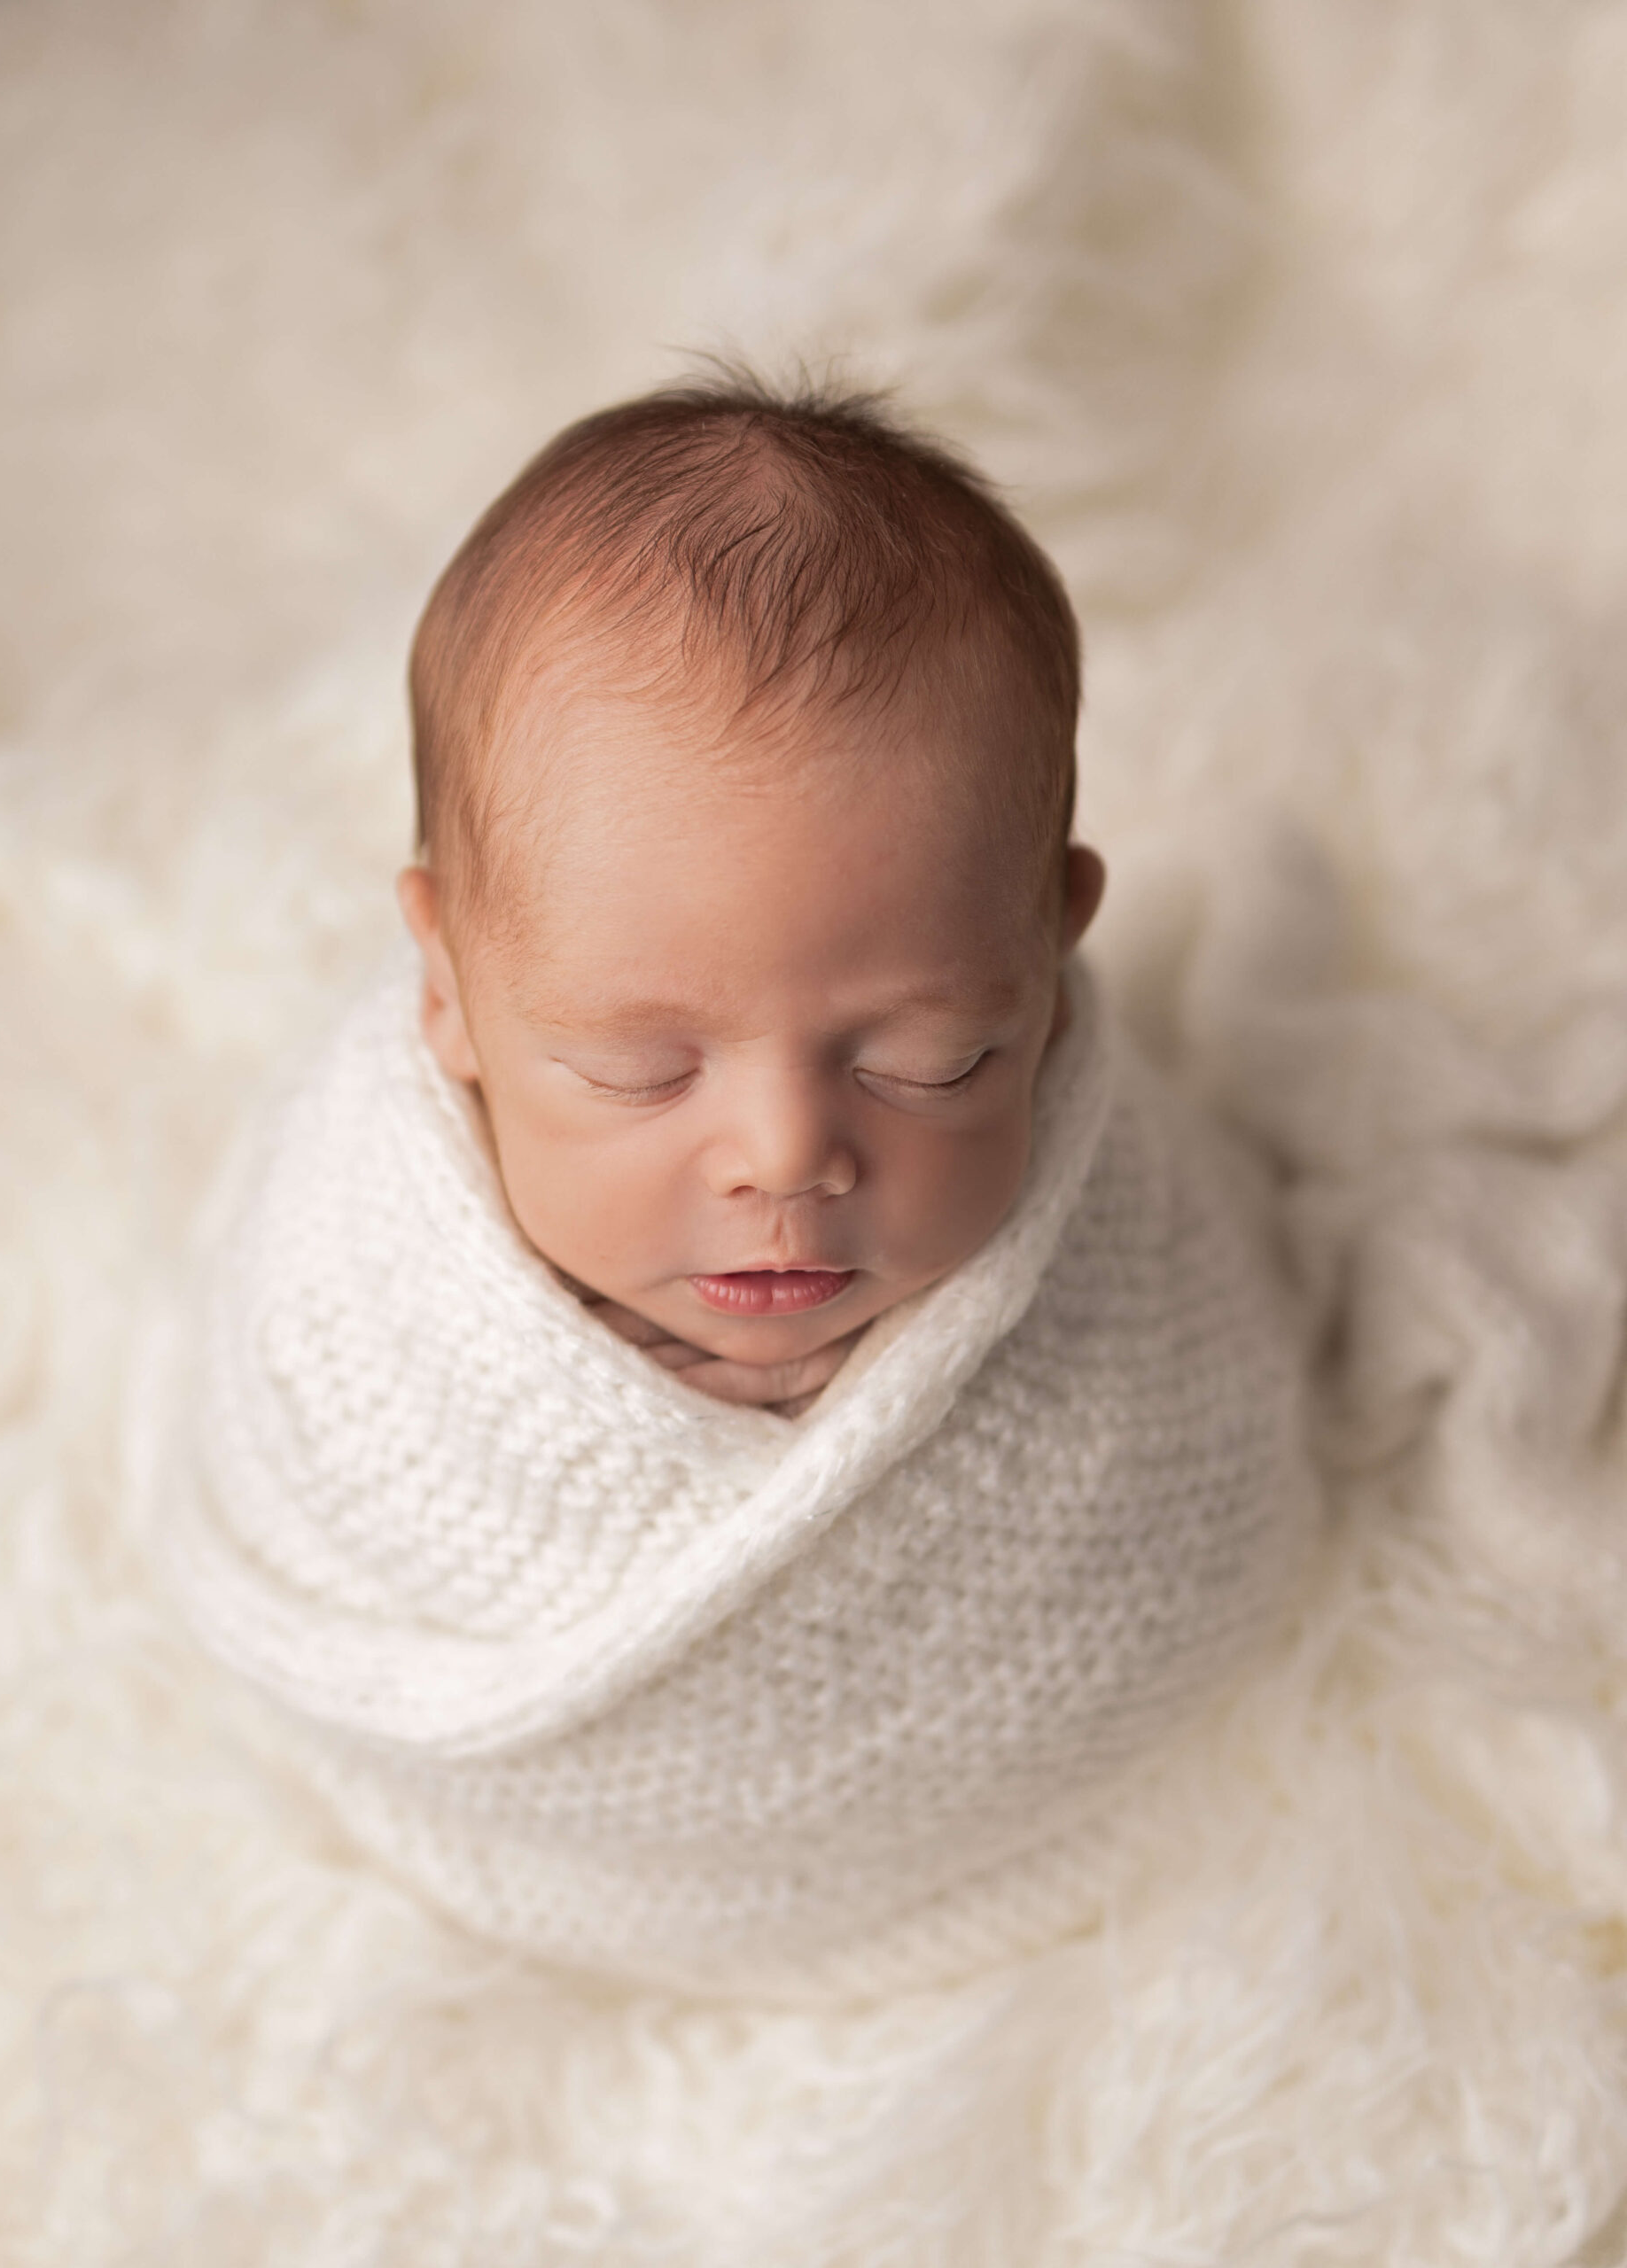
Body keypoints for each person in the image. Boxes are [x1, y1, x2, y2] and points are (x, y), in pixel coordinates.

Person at [165, 373, 1313, 1993]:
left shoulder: (1125, 1286)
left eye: (929, 1063)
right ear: (446, 990)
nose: (785, 1158)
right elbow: (288, 1482)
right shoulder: (359, 1286)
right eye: (639, 1071)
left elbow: (1191, 1509)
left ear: (1051, 957)